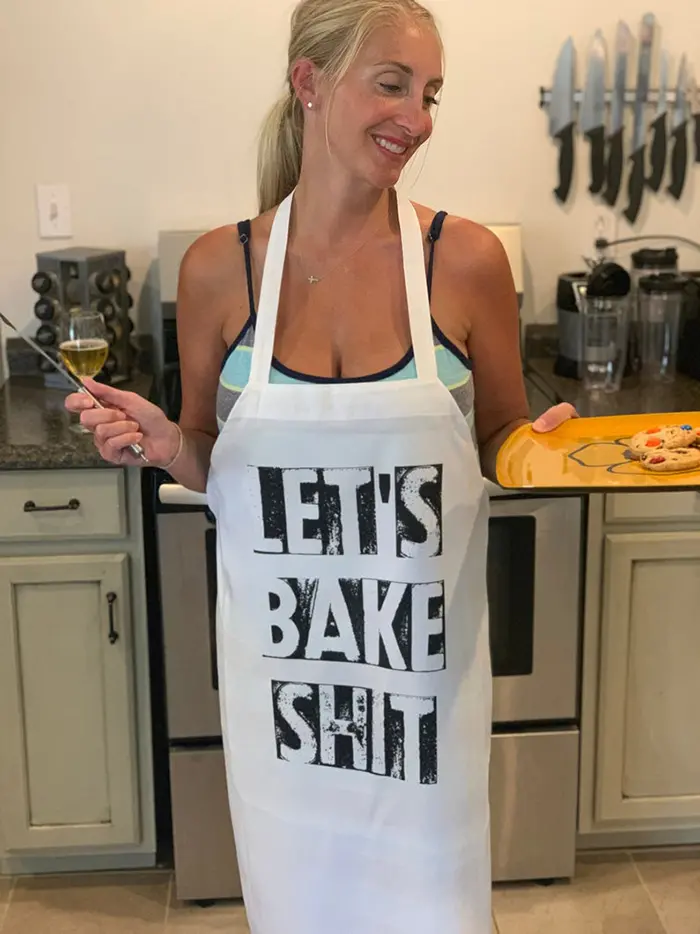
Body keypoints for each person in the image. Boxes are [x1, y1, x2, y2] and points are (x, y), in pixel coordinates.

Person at [67, 1, 575, 930]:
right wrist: (164, 443)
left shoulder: (463, 260)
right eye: (392, 85)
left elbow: (499, 435)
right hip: (286, 730)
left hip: (422, 724)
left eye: (430, 94)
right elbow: (211, 459)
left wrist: (542, 448)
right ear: (310, 82)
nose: (418, 118)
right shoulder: (220, 269)